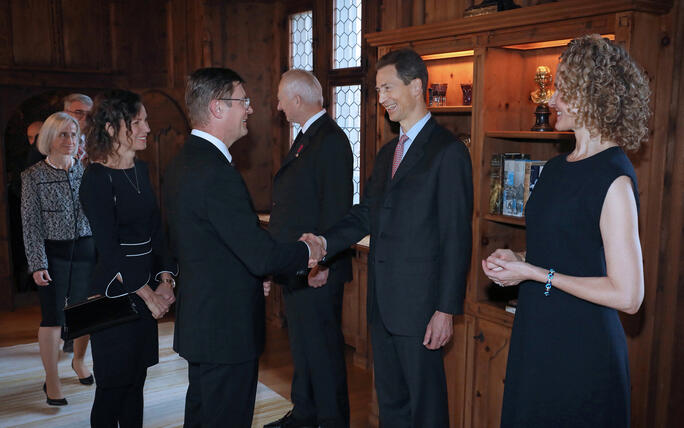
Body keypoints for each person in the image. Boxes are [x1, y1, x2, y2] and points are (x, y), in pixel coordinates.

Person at [481, 34, 649, 427]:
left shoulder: (614, 178)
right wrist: (519, 260)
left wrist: (536, 274)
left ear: (593, 96)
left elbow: (628, 295)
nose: (550, 99)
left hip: (582, 348)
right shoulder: (556, 168)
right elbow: (566, 249)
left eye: (563, 90)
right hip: (537, 335)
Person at [303, 48, 473, 427]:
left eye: (387, 88)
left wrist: (445, 310)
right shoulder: (386, 153)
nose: (382, 99)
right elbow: (366, 214)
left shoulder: (447, 153)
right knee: (392, 406)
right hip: (382, 306)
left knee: (426, 410)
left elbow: (456, 237)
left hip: (423, 309)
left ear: (415, 86)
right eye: (378, 90)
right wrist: (325, 243)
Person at [163, 67, 325, 428]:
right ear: (218, 108)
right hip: (226, 330)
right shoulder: (216, 172)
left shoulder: (182, 162)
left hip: (203, 322)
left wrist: (251, 276)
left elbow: (208, 244)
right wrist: (308, 251)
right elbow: (258, 252)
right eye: (243, 101)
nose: (250, 109)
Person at [80, 89, 177, 428]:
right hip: (109, 294)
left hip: (146, 289)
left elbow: (157, 230)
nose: (147, 128)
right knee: (111, 387)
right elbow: (109, 248)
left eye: (146, 120)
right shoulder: (95, 178)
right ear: (111, 128)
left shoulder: (143, 169)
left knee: (136, 383)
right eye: (138, 121)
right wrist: (148, 295)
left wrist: (166, 280)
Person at [264, 69, 353, 428]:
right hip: (299, 265)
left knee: (323, 350)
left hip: (317, 267)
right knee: (302, 346)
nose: (279, 105)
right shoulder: (306, 136)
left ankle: (331, 420)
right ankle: (304, 413)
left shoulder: (329, 139)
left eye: (282, 98)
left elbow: (336, 208)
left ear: (298, 100)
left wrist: (323, 264)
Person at [21, 112, 95, 406]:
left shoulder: (88, 171)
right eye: (63, 134)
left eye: (74, 134)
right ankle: (51, 380)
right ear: (49, 138)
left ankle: (78, 361)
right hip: (53, 253)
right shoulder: (33, 176)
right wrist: (37, 263)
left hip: (87, 250)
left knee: (84, 312)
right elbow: (30, 224)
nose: (70, 140)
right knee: (52, 319)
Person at [63, 93, 93, 163]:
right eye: (79, 112)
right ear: (65, 113)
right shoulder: (56, 138)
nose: (85, 118)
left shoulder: (98, 140)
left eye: (89, 114)